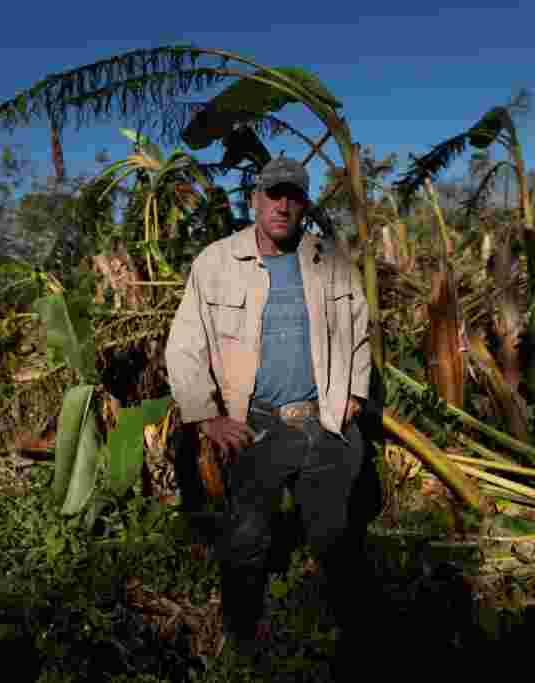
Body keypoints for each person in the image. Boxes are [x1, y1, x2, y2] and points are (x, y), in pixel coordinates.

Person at [165, 157, 376, 672]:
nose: (282, 205)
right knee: (246, 540)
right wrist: (207, 417)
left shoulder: (330, 261)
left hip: (325, 422)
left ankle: (352, 646)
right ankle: (242, 644)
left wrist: (354, 395)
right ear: (255, 199)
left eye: (293, 196)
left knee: (338, 539)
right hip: (256, 424)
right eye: (273, 194)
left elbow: (359, 330)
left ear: (304, 204)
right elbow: (184, 344)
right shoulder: (215, 263)